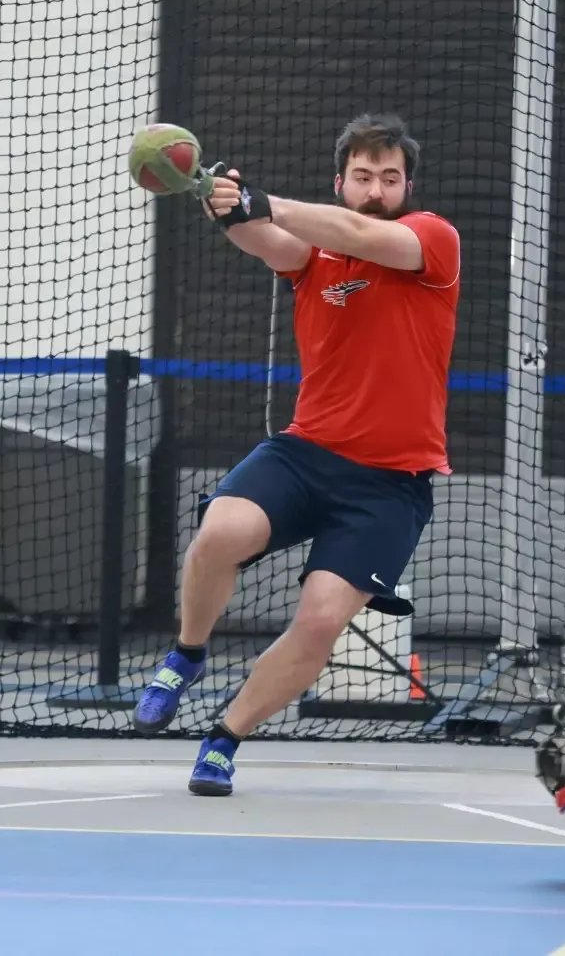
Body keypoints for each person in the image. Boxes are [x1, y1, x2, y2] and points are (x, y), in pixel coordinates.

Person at [131, 113, 461, 795]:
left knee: (317, 622)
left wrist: (266, 201)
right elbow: (265, 238)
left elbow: (358, 233)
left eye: (389, 178)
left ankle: (223, 737)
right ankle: (186, 653)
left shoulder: (429, 241)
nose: (375, 190)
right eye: (362, 177)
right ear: (340, 181)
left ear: (407, 188)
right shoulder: (316, 258)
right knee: (221, 530)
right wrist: (223, 198)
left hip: (389, 486)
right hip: (306, 454)